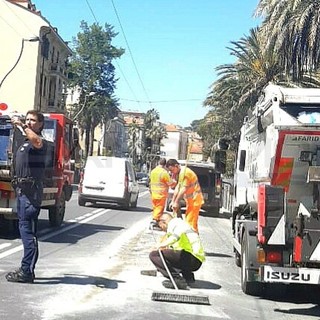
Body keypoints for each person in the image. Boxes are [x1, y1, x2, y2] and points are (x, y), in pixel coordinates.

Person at [5, 110, 47, 283]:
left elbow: (37, 141)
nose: (29, 122)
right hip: (22, 192)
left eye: (33, 120)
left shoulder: (39, 143)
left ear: (40, 124)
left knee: (28, 233)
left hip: (30, 193)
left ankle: (27, 272)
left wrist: (22, 125)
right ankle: (26, 268)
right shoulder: (25, 142)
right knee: (24, 230)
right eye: (27, 119)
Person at [149, 213, 205, 290]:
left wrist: (159, 245)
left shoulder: (175, 224)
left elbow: (175, 237)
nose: (162, 229)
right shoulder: (181, 223)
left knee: (154, 255)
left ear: (163, 222)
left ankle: (177, 280)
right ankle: (188, 277)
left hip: (192, 258)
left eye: (161, 226)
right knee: (171, 255)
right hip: (196, 260)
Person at [166, 159, 204, 233]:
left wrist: (176, 202)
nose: (172, 172)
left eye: (172, 170)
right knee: (192, 223)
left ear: (176, 166)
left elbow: (184, 188)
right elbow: (178, 187)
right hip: (191, 202)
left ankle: (192, 240)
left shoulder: (185, 173)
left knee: (190, 223)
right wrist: (173, 201)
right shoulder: (180, 174)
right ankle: (195, 240)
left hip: (194, 201)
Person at [149, 158, 175, 230]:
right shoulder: (164, 173)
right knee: (159, 209)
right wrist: (174, 181)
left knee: (155, 208)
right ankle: (154, 222)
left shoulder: (153, 171)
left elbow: (150, 182)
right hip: (161, 194)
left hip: (153, 194)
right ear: (165, 165)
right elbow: (171, 184)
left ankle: (156, 222)